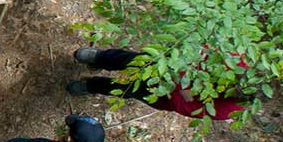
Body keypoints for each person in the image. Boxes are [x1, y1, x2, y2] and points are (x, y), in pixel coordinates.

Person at [65, 48, 248, 121]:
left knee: (124, 89)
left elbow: (186, 108)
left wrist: (179, 86)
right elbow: (201, 51)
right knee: (128, 60)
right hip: (165, 65)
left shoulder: (231, 108)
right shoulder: (239, 63)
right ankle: (99, 58)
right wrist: (183, 85)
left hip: (160, 95)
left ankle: (90, 86)